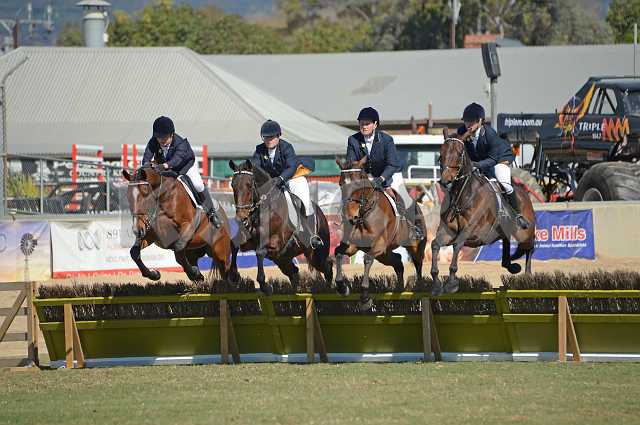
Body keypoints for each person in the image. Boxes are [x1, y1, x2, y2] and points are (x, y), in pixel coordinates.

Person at [346, 107, 423, 239]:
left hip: (389, 174)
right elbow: (352, 163)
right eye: (361, 123)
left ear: (375, 124)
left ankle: (414, 228)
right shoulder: (353, 140)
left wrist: (382, 179)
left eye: (367, 124)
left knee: (403, 198)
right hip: (367, 177)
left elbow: (393, 164)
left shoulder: (386, 140)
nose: (364, 126)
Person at [457, 103, 530, 229]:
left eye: (471, 121)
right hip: (480, 160)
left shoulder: (489, 134)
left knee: (504, 183)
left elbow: (492, 159)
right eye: (466, 121)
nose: (468, 124)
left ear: (480, 121)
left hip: (499, 159)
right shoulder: (462, 131)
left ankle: (517, 215)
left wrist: (476, 165)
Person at [252, 119, 323, 249]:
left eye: (272, 137)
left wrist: (280, 178)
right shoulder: (259, 150)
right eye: (266, 137)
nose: (269, 140)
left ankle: (311, 233)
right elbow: (255, 168)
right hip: (271, 183)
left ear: (278, 136)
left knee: (302, 194)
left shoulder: (286, 147)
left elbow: (291, 167)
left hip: (290, 177)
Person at [142, 116, 222, 228]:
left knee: (198, 185)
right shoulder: (153, 142)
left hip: (185, 167)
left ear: (172, 134)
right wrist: (146, 166)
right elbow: (146, 157)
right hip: (165, 169)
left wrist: (164, 166)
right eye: (159, 138)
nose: (161, 141)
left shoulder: (181, 143)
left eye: (164, 138)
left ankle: (212, 213)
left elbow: (177, 160)